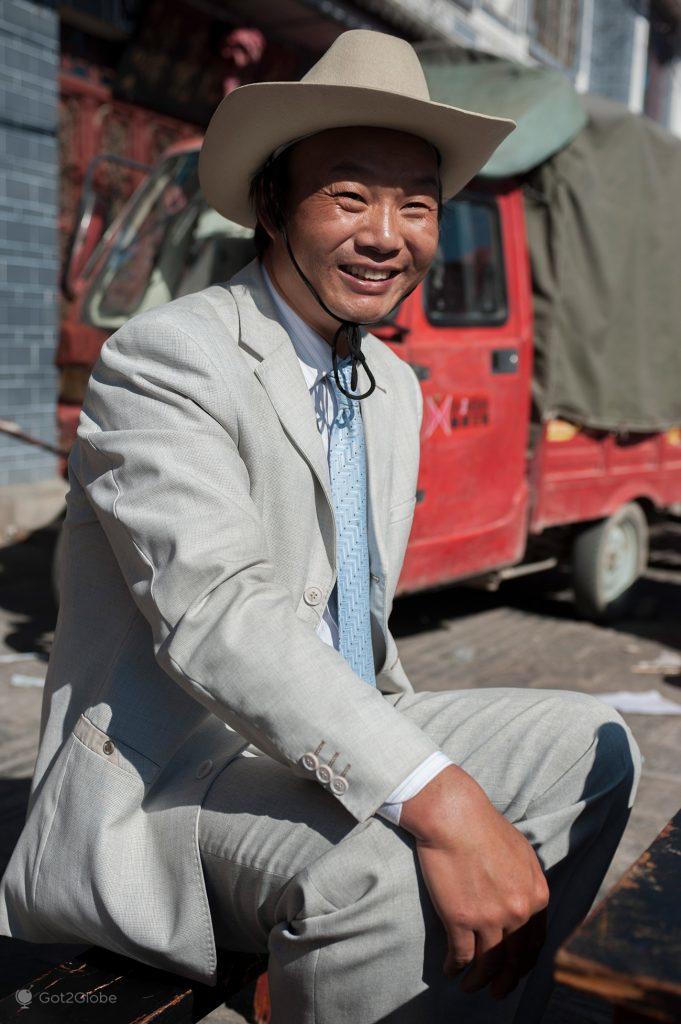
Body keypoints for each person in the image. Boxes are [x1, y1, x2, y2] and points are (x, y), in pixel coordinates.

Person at [0, 29, 640, 1024]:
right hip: (182, 781)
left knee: (597, 745)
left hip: (315, 742)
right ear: (271, 204)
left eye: (416, 205)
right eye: (350, 196)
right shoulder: (168, 358)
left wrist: (418, 777)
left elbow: (357, 627)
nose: (387, 233)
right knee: (391, 872)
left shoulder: (388, 386)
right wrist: (438, 798)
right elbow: (218, 613)